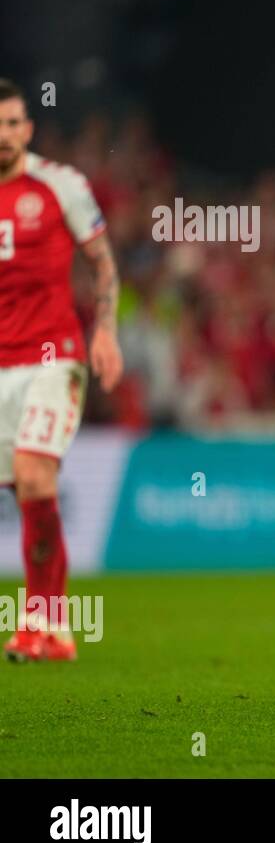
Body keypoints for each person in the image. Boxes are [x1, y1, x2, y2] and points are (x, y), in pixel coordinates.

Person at [0, 79, 123, 661]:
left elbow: (101, 264)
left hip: (52, 357)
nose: (6, 136)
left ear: (29, 127)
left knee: (34, 476)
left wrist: (105, 330)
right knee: (26, 491)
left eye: (15, 123)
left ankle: (41, 626)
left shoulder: (60, 185)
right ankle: (52, 629)